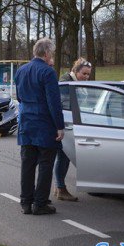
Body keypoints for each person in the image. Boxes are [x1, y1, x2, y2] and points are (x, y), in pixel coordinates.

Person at [14, 37, 65, 215]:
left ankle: (26, 202)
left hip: (26, 122)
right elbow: (54, 102)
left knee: (27, 164)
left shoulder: (21, 70)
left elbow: (19, 97)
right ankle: (40, 203)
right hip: (44, 123)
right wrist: (60, 126)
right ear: (47, 53)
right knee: (45, 164)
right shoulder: (48, 72)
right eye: (52, 53)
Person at [53, 57, 92, 202]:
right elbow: (65, 104)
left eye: (88, 74)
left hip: (69, 123)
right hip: (63, 124)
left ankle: (58, 187)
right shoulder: (66, 82)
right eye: (84, 74)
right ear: (76, 71)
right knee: (64, 156)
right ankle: (60, 188)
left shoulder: (75, 82)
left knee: (63, 156)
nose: (86, 77)